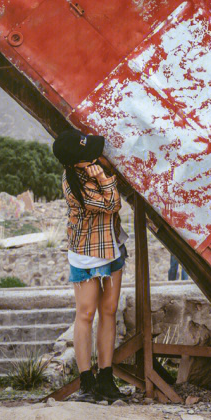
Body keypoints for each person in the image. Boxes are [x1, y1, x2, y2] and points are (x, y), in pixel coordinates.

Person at [53, 129, 126, 402]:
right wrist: (104, 178)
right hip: (87, 253)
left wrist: (101, 174)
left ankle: (106, 378)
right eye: (88, 155)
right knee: (85, 314)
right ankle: (87, 381)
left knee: (109, 311)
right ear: (76, 163)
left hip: (112, 247)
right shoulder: (74, 186)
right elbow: (113, 205)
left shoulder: (89, 169)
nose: (95, 156)